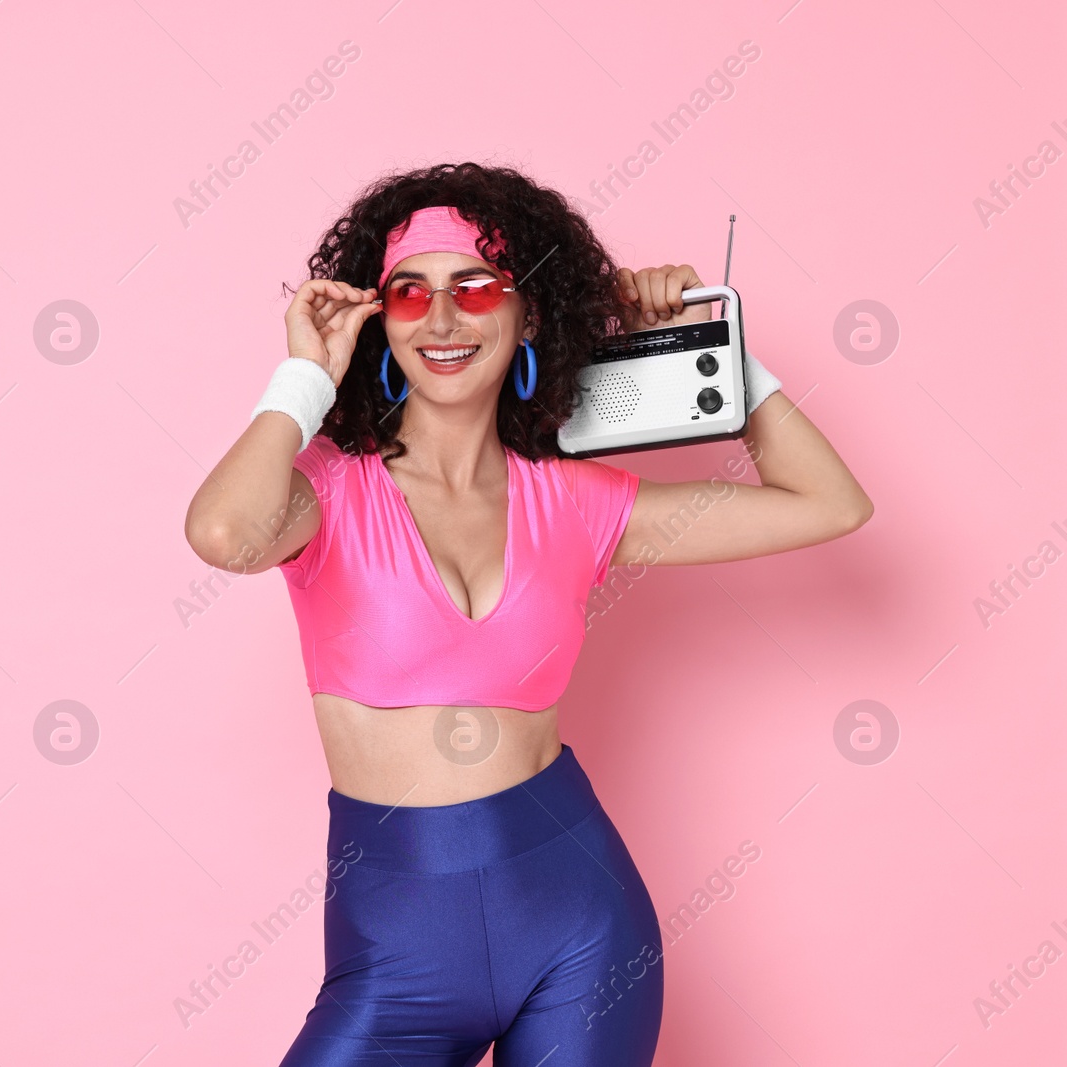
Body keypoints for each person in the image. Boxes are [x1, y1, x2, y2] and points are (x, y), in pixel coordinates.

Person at [183, 162, 872, 1066]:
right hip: (393, 961)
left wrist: (718, 348)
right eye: (408, 292)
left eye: (475, 289)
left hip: (583, 934)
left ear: (529, 313)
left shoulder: (576, 502)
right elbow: (224, 532)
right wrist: (304, 379)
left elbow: (828, 503)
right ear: (376, 316)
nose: (439, 319)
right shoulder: (324, 490)